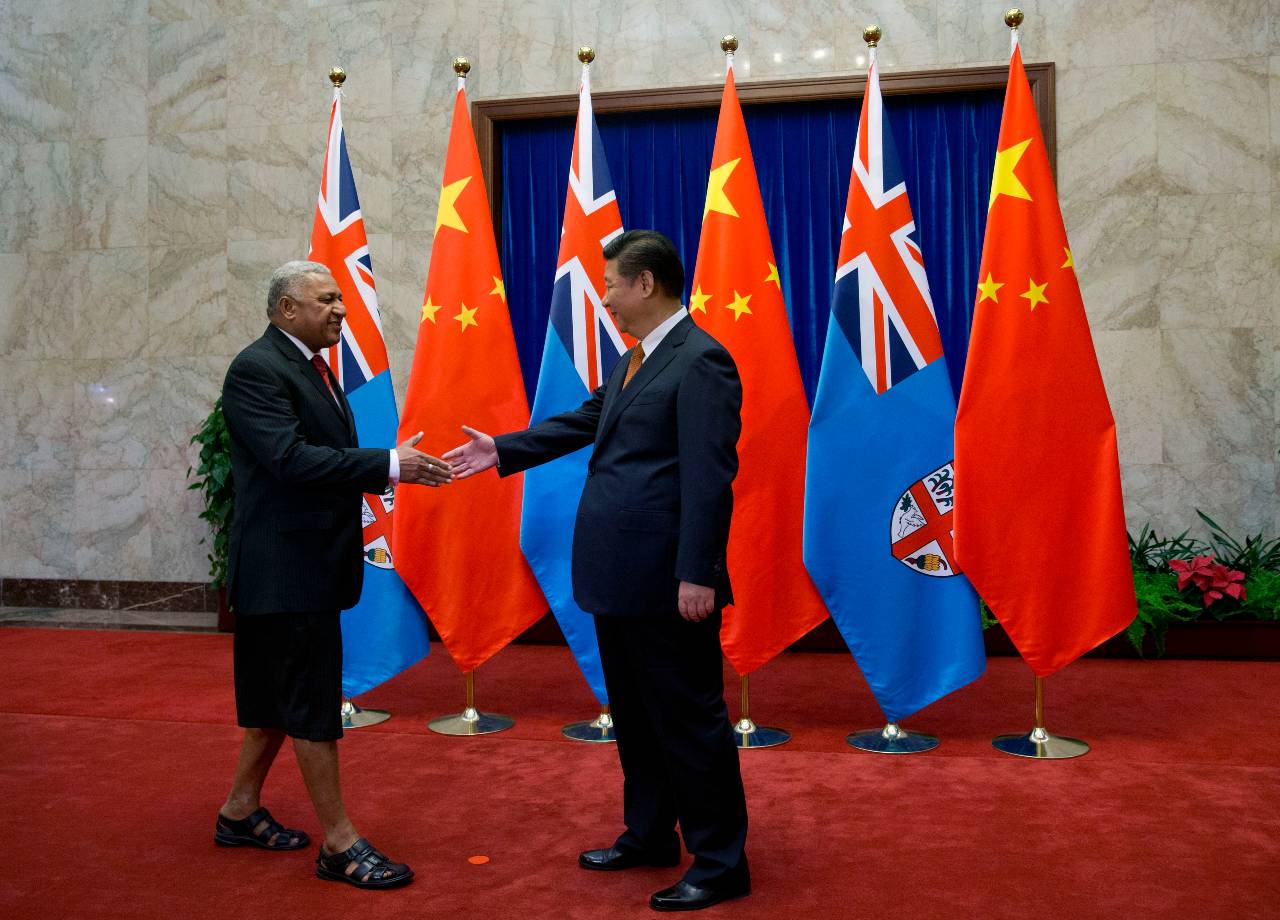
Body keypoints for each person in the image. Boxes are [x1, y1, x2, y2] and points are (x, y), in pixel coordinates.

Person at [446, 230, 750, 912]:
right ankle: (649, 834)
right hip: (619, 575)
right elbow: (590, 419)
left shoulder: (702, 360)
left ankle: (721, 859)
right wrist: (502, 449)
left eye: (613, 283)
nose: (605, 296)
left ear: (646, 285)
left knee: (688, 719)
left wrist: (698, 571)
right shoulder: (639, 357)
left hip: (671, 580)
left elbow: (710, 478)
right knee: (638, 718)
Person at [215, 260, 451, 889]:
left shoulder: (311, 366)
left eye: (341, 298)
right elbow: (290, 460)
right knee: (312, 700)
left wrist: (386, 464)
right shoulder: (257, 369)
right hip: (284, 569)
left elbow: (322, 456)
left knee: (274, 696)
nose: (342, 310)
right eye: (327, 300)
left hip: (302, 566)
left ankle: (238, 811)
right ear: (286, 308)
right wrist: (390, 465)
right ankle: (340, 845)